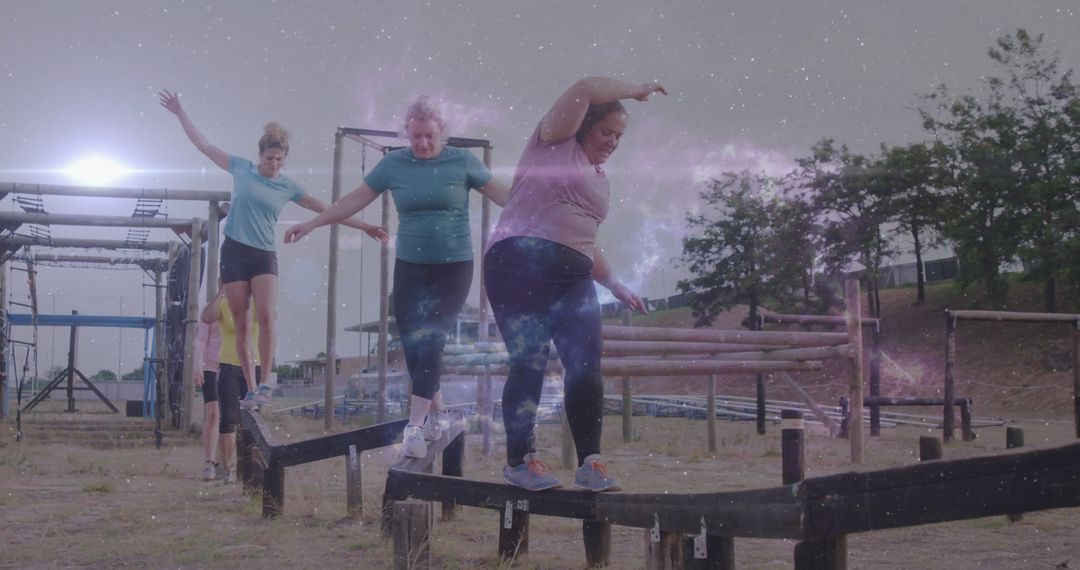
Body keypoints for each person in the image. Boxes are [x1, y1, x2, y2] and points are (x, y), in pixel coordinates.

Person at [285, 96, 509, 458]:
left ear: (442, 132)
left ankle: (414, 427)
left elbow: (504, 197)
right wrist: (313, 223)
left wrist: (544, 215)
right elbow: (354, 200)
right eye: (416, 136)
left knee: (431, 337)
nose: (423, 143)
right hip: (411, 267)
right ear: (407, 132)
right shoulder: (394, 165)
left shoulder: (462, 162)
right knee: (412, 346)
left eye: (429, 136)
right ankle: (438, 415)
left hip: (453, 267)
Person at [484, 77, 666, 491]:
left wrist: (615, 284)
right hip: (518, 262)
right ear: (584, 125)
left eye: (619, 136)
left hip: (573, 274)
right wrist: (635, 90)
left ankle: (590, 463)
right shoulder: (553, 142)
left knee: (586, 363)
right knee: (530, 359)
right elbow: (584, 86)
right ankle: (520, 462)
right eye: (606, 132)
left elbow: (583, 239)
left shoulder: (600, 179)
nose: (612, 142)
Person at [159, 89, 389, 410]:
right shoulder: (241, 168)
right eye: (270, 159)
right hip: (234, 252)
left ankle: (265, 381)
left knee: (266, 317)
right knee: (241, 322)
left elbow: (327, 209)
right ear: (261, 155)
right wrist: (180, 112)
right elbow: (204, 146)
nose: (274, 164)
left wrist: (364, 227)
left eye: (280, 160)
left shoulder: (287, 186)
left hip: (263, 255)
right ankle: (251, 388)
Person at [201, 288, 259, 484]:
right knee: (228, 421)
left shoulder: (255, 304)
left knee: (253, 420)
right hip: (228, 366)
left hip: (254, 366)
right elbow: (206, 317)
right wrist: (220, 293)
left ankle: (249, 468)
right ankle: (229, 467)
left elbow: (271, 316)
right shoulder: (224, 305)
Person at [194, 290, 223, 481]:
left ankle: (224, 462)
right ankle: (209, 462)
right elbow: (201, 341)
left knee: (230, 418)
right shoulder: (210, 311)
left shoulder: (241, 306)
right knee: (213, 413)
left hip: (232, 367)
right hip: (211, 368)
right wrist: (198, 367)